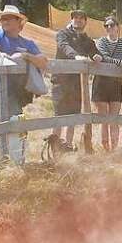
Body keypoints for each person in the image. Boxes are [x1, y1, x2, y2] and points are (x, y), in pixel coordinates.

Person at [0, 5, 48, 175]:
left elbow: (43, 61)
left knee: (17, 125)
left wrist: (26, 56)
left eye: (9, 18)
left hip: (14, 92)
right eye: (3, 18)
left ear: (19, 22)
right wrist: (0, 55)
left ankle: (13, 163)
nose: (4, 21)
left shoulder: (26, 43)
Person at [48, 9, 101, 154]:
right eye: (75, 18)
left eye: (81, 18)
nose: (78, 20)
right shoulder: (62, 34)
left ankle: (67, 145)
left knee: (73, 114)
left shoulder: (86, 39)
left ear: (85, 21)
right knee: (59, 114)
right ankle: (54, 147)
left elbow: (94, 50)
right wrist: (75, 56)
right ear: (71, 20)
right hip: (61, 80)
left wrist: (97, 56)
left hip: (77, 82)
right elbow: (64, 46)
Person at [92, 15, 122, 151]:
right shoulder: (101, 41)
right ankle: (105, 148)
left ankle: (114, 148)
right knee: (104, 118)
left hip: (115, 83)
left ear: (117, 27)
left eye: (112, 25)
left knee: (114, 118)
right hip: (101, 82)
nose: (109, 27)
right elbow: (104, 58)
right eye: (106, 25)